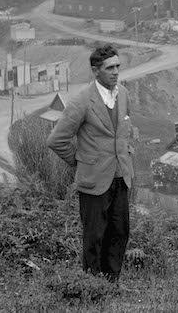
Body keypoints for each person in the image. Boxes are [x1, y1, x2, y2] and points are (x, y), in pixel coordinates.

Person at [47, 44, 136, 282]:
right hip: (93, 180)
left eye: (117, 66)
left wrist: (126, 152)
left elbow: (123, 131)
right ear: (96, 72)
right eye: (109, 68)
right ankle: (92, 286)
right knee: (94, 236)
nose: (115, 72)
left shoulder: (124, 94)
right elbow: (57, 140)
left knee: (120, 233)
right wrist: (81, 161)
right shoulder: (81, 101)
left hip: (120, 177)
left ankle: (111, 283)